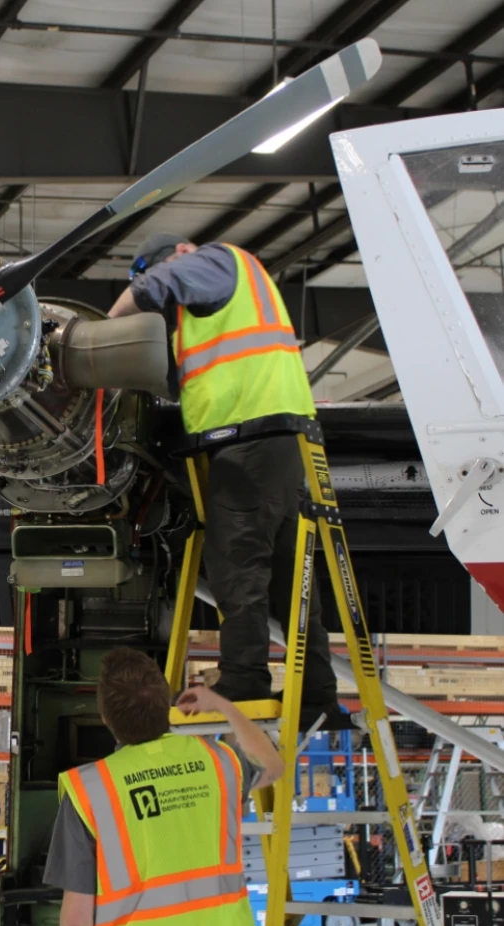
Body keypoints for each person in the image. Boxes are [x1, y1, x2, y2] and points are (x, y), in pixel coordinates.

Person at [108, 233, 350, 729]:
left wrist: (105, 329)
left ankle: (244, 677)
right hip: (282, 440)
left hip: (251, 439)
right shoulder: (237, 286)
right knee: (290, 577)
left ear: (180, 250)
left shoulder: (212, 263)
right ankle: (317, 690)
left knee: (237, 561)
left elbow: (159, 283)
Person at [44, 647, 283, 926]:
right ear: (166, 707)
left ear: (106, 717)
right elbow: (272, 765)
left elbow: (77, 918)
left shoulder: (90, 789)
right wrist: (224, 707)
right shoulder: (219, 764)